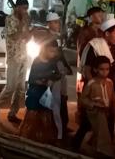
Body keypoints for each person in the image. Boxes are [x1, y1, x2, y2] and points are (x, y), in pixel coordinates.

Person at [72, 18, 115, 151]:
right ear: (106, 33)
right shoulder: (94, 45)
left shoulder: (108, 47)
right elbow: (87, 69)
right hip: (95, 91)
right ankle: (85, 146)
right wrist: (95, 89)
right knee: (91, 121)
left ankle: (97, 146)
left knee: (103, 120)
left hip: (106, 87)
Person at [0, 0, 31, 124]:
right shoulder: (10, 19)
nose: (25, 11)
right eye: (24, 8)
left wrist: (29, 32)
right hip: (13, 57)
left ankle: (12, 113)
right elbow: (13, 36)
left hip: (23, 55)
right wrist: (22, 26)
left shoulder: (26, 19)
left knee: (21, 88)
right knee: (11, 86)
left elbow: (26, 37)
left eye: (26, 9)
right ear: (17, 7)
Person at [19, 39, 61, 144]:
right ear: (45, 50)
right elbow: (31, 79)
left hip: (46, 95)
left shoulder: (53, 61)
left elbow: (57, 74)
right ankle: (27, 141)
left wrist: (52, 79)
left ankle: (43, 141)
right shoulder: (37, 61)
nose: (53, 54)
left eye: (55, 51)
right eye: (51, 51)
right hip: (35, 94)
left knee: (45, 118)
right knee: (32, 119)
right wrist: (41, 81)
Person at [80, 56, 115, 158]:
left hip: (107, 112)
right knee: (100, 132)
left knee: (101, 133)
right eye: (102, 69)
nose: (105, 72)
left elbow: (113, 98)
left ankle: (96, 150)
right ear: (95, 69)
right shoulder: (91, 83)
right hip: (95, 112)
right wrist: (94, 104)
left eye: (107, 69)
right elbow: (83, 99)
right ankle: (102, 152)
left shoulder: (110, 82)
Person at [46, 12, 72, 140]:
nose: (57, 24)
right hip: (55, 72)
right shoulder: (47, 38)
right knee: (55, 101)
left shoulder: (57, 37)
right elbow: (51, 57)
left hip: (60, 71)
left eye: (57, 22)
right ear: (49, 24)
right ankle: (58, 132)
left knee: (62, 99)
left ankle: (62, 126)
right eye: (55, 22)